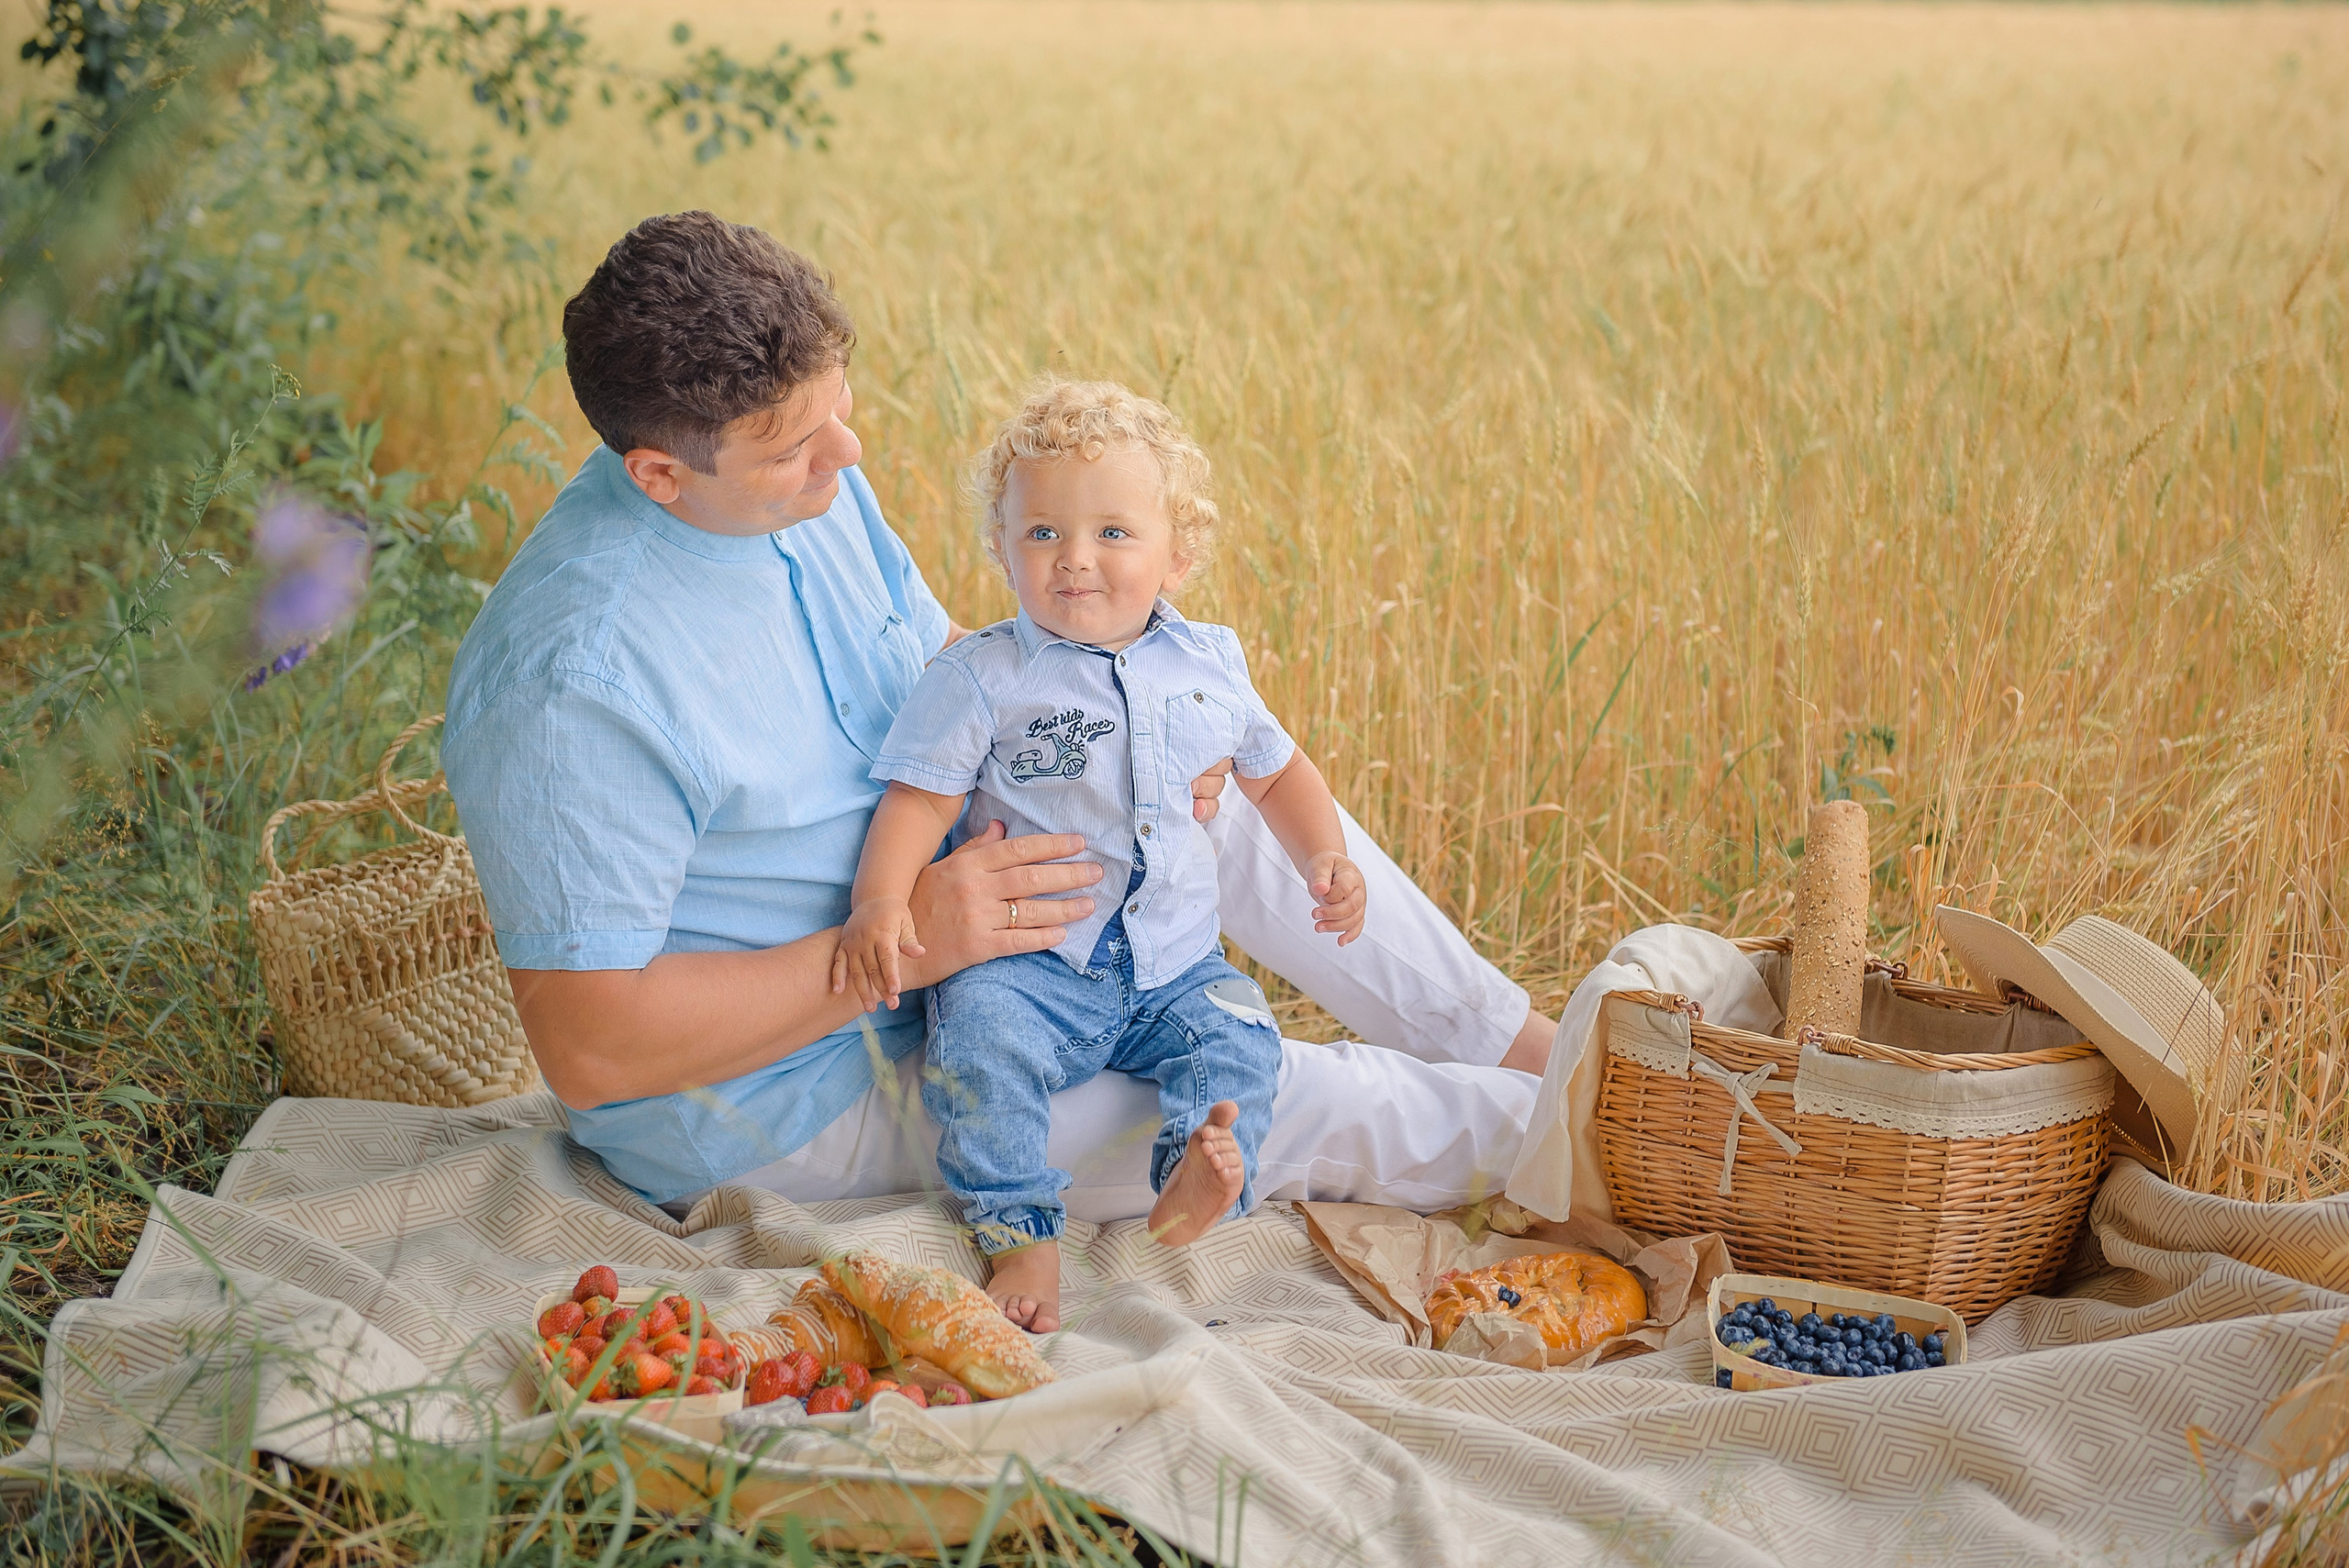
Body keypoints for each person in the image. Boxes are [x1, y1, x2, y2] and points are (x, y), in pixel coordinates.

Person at [441, 212, 1553, 1328]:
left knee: (1206, 775)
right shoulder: (570, 681)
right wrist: (914, 935)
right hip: (804, 1091)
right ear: (658, 471)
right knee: (1304, 1099)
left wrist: (1142, 762)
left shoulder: (801, 484)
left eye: (841, 407)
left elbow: (955, 684)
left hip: (984, 914)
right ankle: (1583, 1139)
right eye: (795, 443)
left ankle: (1536, 1053)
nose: (848, 454)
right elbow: (590, 1049)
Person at [839, 380, 1364, 1328]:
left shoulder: (1211, 664)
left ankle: (1192, 1183)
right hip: (1031, 964)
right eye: (1042, 534)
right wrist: (883, 901)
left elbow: (1278, 772)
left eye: (1113, 534)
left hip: (1173, 964)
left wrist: (1325, 858)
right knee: (975, 1045)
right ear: (1001, 546)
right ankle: (1022, 1242)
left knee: (1243, 1039)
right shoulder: (983, 676)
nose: (1075, 559)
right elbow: (918, 798)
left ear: (1179, 552)